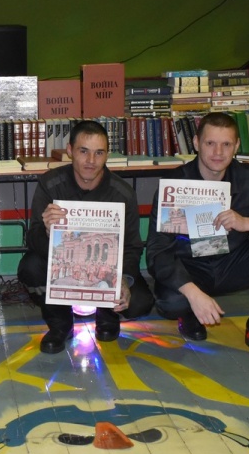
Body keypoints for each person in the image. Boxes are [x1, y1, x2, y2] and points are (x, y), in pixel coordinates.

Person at [145, 112, 249, 363]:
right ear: (196, 143)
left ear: (237, 146)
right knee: (171, 302)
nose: (218, 152)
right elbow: (157, 250)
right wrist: (193, 294)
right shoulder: (174, 184)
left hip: (233, 262)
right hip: (191, 266)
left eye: (226, 144)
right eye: (210, 143)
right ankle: (189, 313)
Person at [18, 120, 154, 354]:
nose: (91, 160)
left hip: (106, 269)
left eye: (99, 153)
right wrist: (48, 231)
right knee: (30, 268)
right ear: (70, 150)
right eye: (84, 151)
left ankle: (108, 315)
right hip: (64, 262)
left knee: (141, 302)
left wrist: (124, 279)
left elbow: (132, 246)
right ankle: (60, 324)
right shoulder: (50, 184)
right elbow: (32, 240)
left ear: (107, 155)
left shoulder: (123, 193)